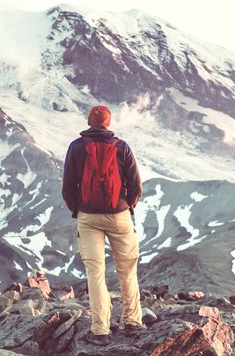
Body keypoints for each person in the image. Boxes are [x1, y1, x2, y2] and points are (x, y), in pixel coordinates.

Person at [62, 105, 145, 346]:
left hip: (88, 218)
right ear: (108, 123)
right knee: (127, 271)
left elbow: (68, 186)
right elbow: (136, 185)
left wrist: (78, 210)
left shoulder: (76, 147)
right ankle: (132, 322)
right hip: (119, 215)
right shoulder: (121, 146)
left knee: (95, 273)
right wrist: (127, 207)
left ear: (89, 121)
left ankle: (100, 329)